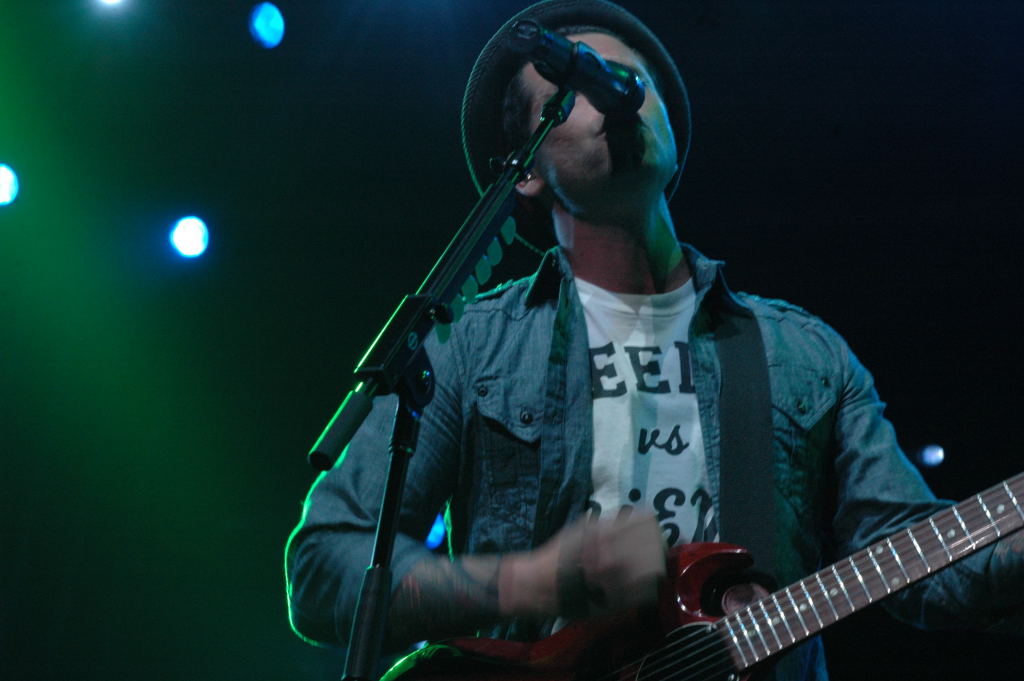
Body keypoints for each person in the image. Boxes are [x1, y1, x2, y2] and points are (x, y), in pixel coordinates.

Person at [285, 1, 1024, 679]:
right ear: (527, 172)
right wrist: (536, 580)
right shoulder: (469, 348)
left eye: (630, 80)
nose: (618, 95)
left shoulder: (804, 354)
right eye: (579, 86)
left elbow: (920, 564)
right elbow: (324, 567)